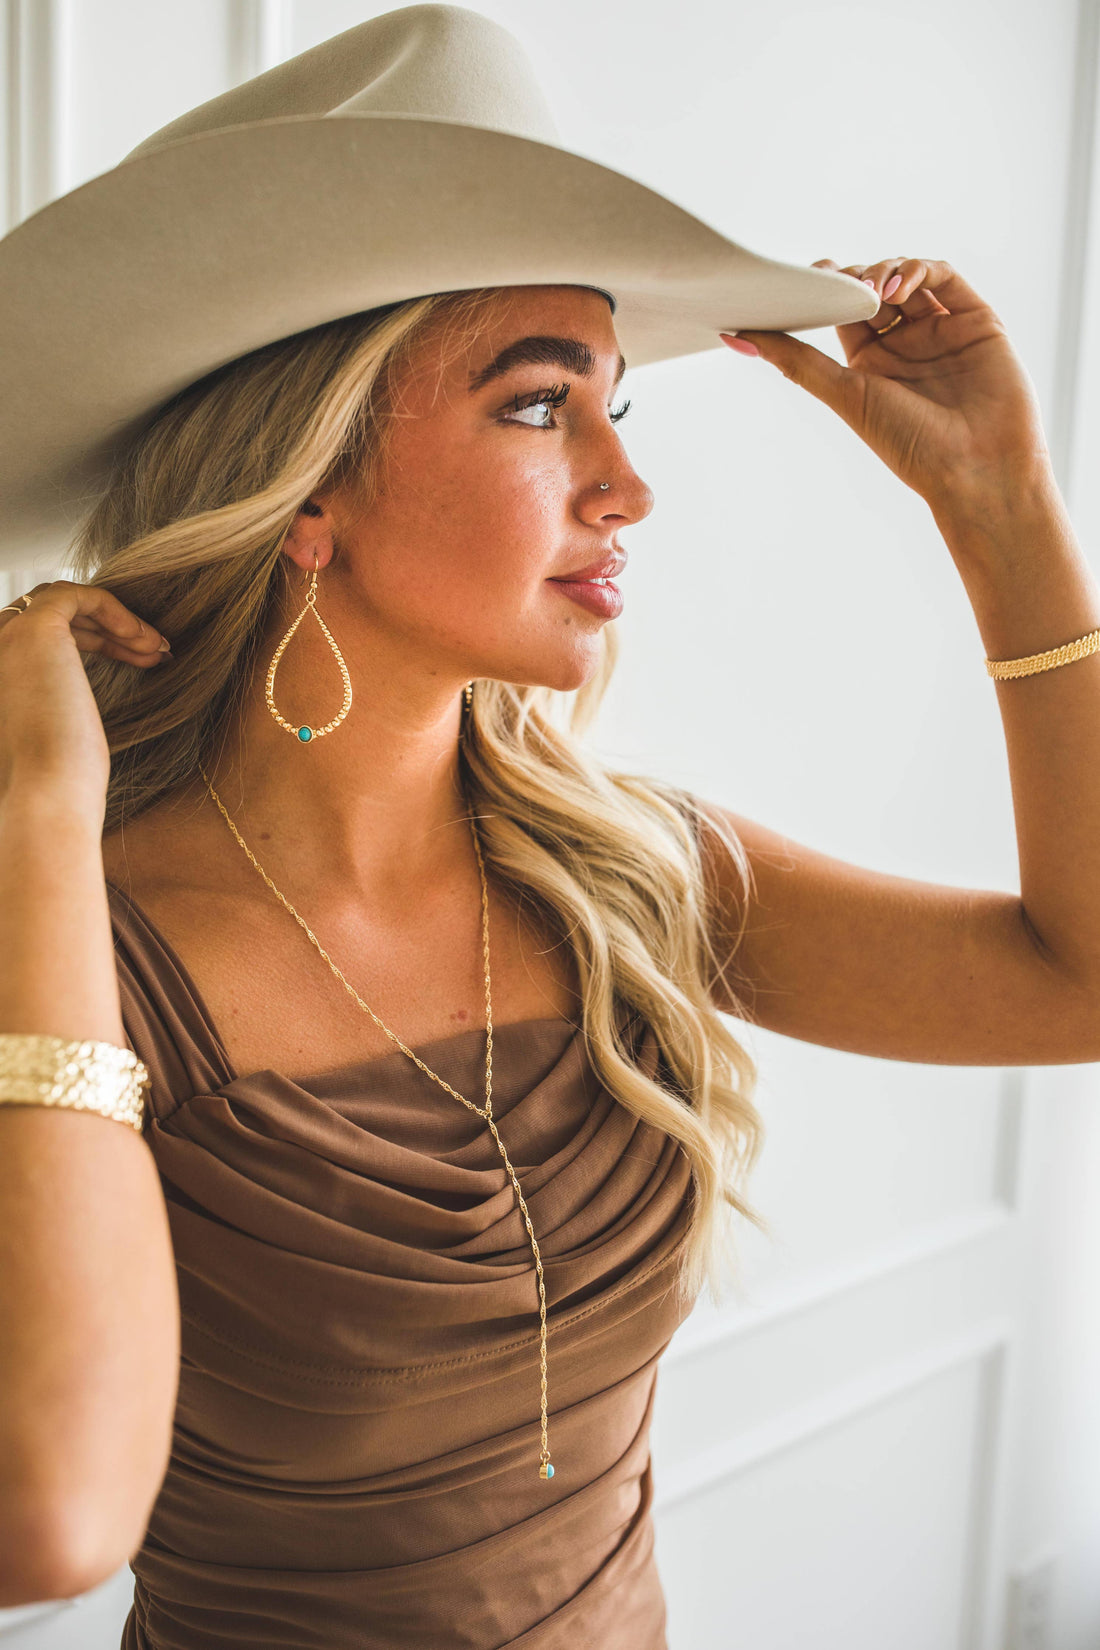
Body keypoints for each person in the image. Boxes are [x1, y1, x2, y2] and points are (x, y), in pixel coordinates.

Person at [3, 7, 1100, 1648]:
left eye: (616, 408)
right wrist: (33, 806)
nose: (624, 485)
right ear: (310, 488)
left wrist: (1001, 507)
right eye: (537, 406)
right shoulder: (71, 943)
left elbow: (1082, 984)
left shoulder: (625, 872)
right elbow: (53, 1514)